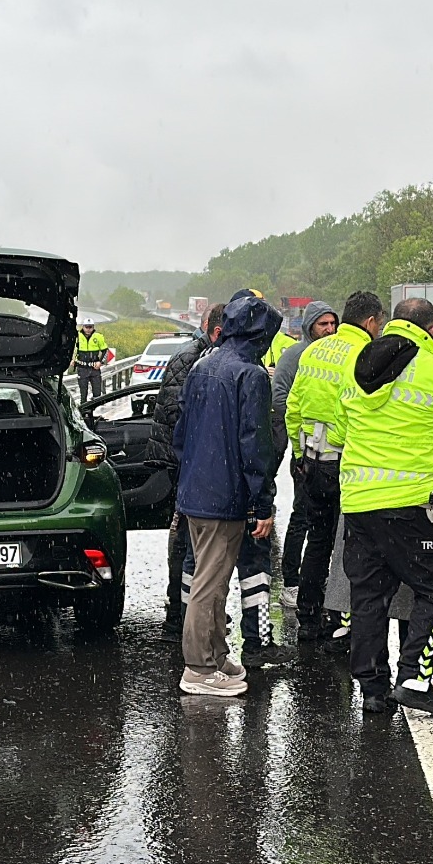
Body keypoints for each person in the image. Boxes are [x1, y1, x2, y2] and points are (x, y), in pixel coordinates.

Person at [339, 298, 433, 717]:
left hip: (358, 501)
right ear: (429, 329)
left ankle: (372, 688)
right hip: (414, 505)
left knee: (368, 596)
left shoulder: (357, 367)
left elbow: (340, 426)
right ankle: (415, 679)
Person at [172, 293, 280, 697]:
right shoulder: (249, 375)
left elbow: (181, 436)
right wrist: (262, 503)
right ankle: (199, 668)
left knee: (207, 578)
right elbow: (255, 445)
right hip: (224, 499)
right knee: (210, 584)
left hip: (196, 493)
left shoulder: (203, 367)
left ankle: (216, 656)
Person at [282, 291, 382, 641]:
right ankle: (338, 620)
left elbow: (292, 408)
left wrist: (298, 455)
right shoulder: (365, 354)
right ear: (370, 322)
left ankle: (308, 618)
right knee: (351, 547)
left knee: (318, 541)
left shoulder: (313, 351)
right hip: (346, 466)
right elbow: (360, 415)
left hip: (310, 463)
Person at [155, 303, 226, 634]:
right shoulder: (190, 359)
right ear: (216, 332)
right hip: (185, 464)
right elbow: (177, 414)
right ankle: (179, 615)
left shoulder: (202, 357)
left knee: (196, 542)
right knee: (186, 539)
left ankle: (194, 610)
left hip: (192, 462)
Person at [270, 302, 338, 607]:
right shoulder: (296, 355)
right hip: (306, 452)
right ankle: (291, 580)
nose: (328, 330)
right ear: (309, 326)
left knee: (325, 523)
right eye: (322, 324)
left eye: (332, 324)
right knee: (301, 515)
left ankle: (318, 581)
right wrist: (302, 432)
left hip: (331, 456)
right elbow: (280, 395)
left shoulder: (337, 355)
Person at [75, 321, 112, 400]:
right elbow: (73, 349)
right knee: (83, 393)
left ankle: (93, 410)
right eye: (86, 327)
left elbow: (105, 351)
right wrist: (72, 360)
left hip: (94, 369)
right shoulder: (78, 336)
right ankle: (84, 410)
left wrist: (101, 362)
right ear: (83, 327)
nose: (88, 329)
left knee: (97, 394)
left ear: (93, 327)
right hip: (82, 368)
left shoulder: (98, 336)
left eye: (90, 327)